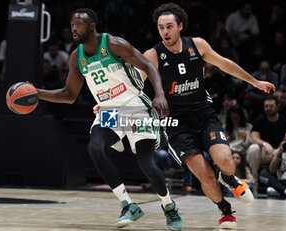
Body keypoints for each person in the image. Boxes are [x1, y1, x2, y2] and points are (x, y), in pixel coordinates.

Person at [35, 8, 183, 230]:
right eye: (72, 24)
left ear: (92, 26)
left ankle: (169, 206)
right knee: (95, 147)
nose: (73, 27)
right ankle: (128, 205)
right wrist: (37, 93)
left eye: (79, 24)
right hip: (109, 110)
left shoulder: (114, 44)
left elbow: (149, 66)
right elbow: (69, 95)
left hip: (134, 106)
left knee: (147, 164)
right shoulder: (77, 57)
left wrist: (160, 94)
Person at [144, 3, 274, 230]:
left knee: (226, 161)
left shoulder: (197, 45)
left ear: (180, 26)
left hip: (204, 115)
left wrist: (255, 82)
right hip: (176, 125)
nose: (165, 31)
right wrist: (110, 105)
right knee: (206, 177)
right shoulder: (153, 55)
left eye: (169, 26)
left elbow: (226, 65)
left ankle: (231, 179)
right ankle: (225, 211)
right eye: (161, 27)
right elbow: (132, 83)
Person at [246, 95, 286, 195]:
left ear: (277, 106)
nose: (268, 108)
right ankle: (253, 184)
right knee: (253, 148)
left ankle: (284, 186)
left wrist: (279, 150)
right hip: (265, 152)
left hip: (281, 153)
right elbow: (254, 137)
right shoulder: (260, 121)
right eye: (266, 106)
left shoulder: (285, 122)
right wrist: (265, 144)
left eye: (271, 106)